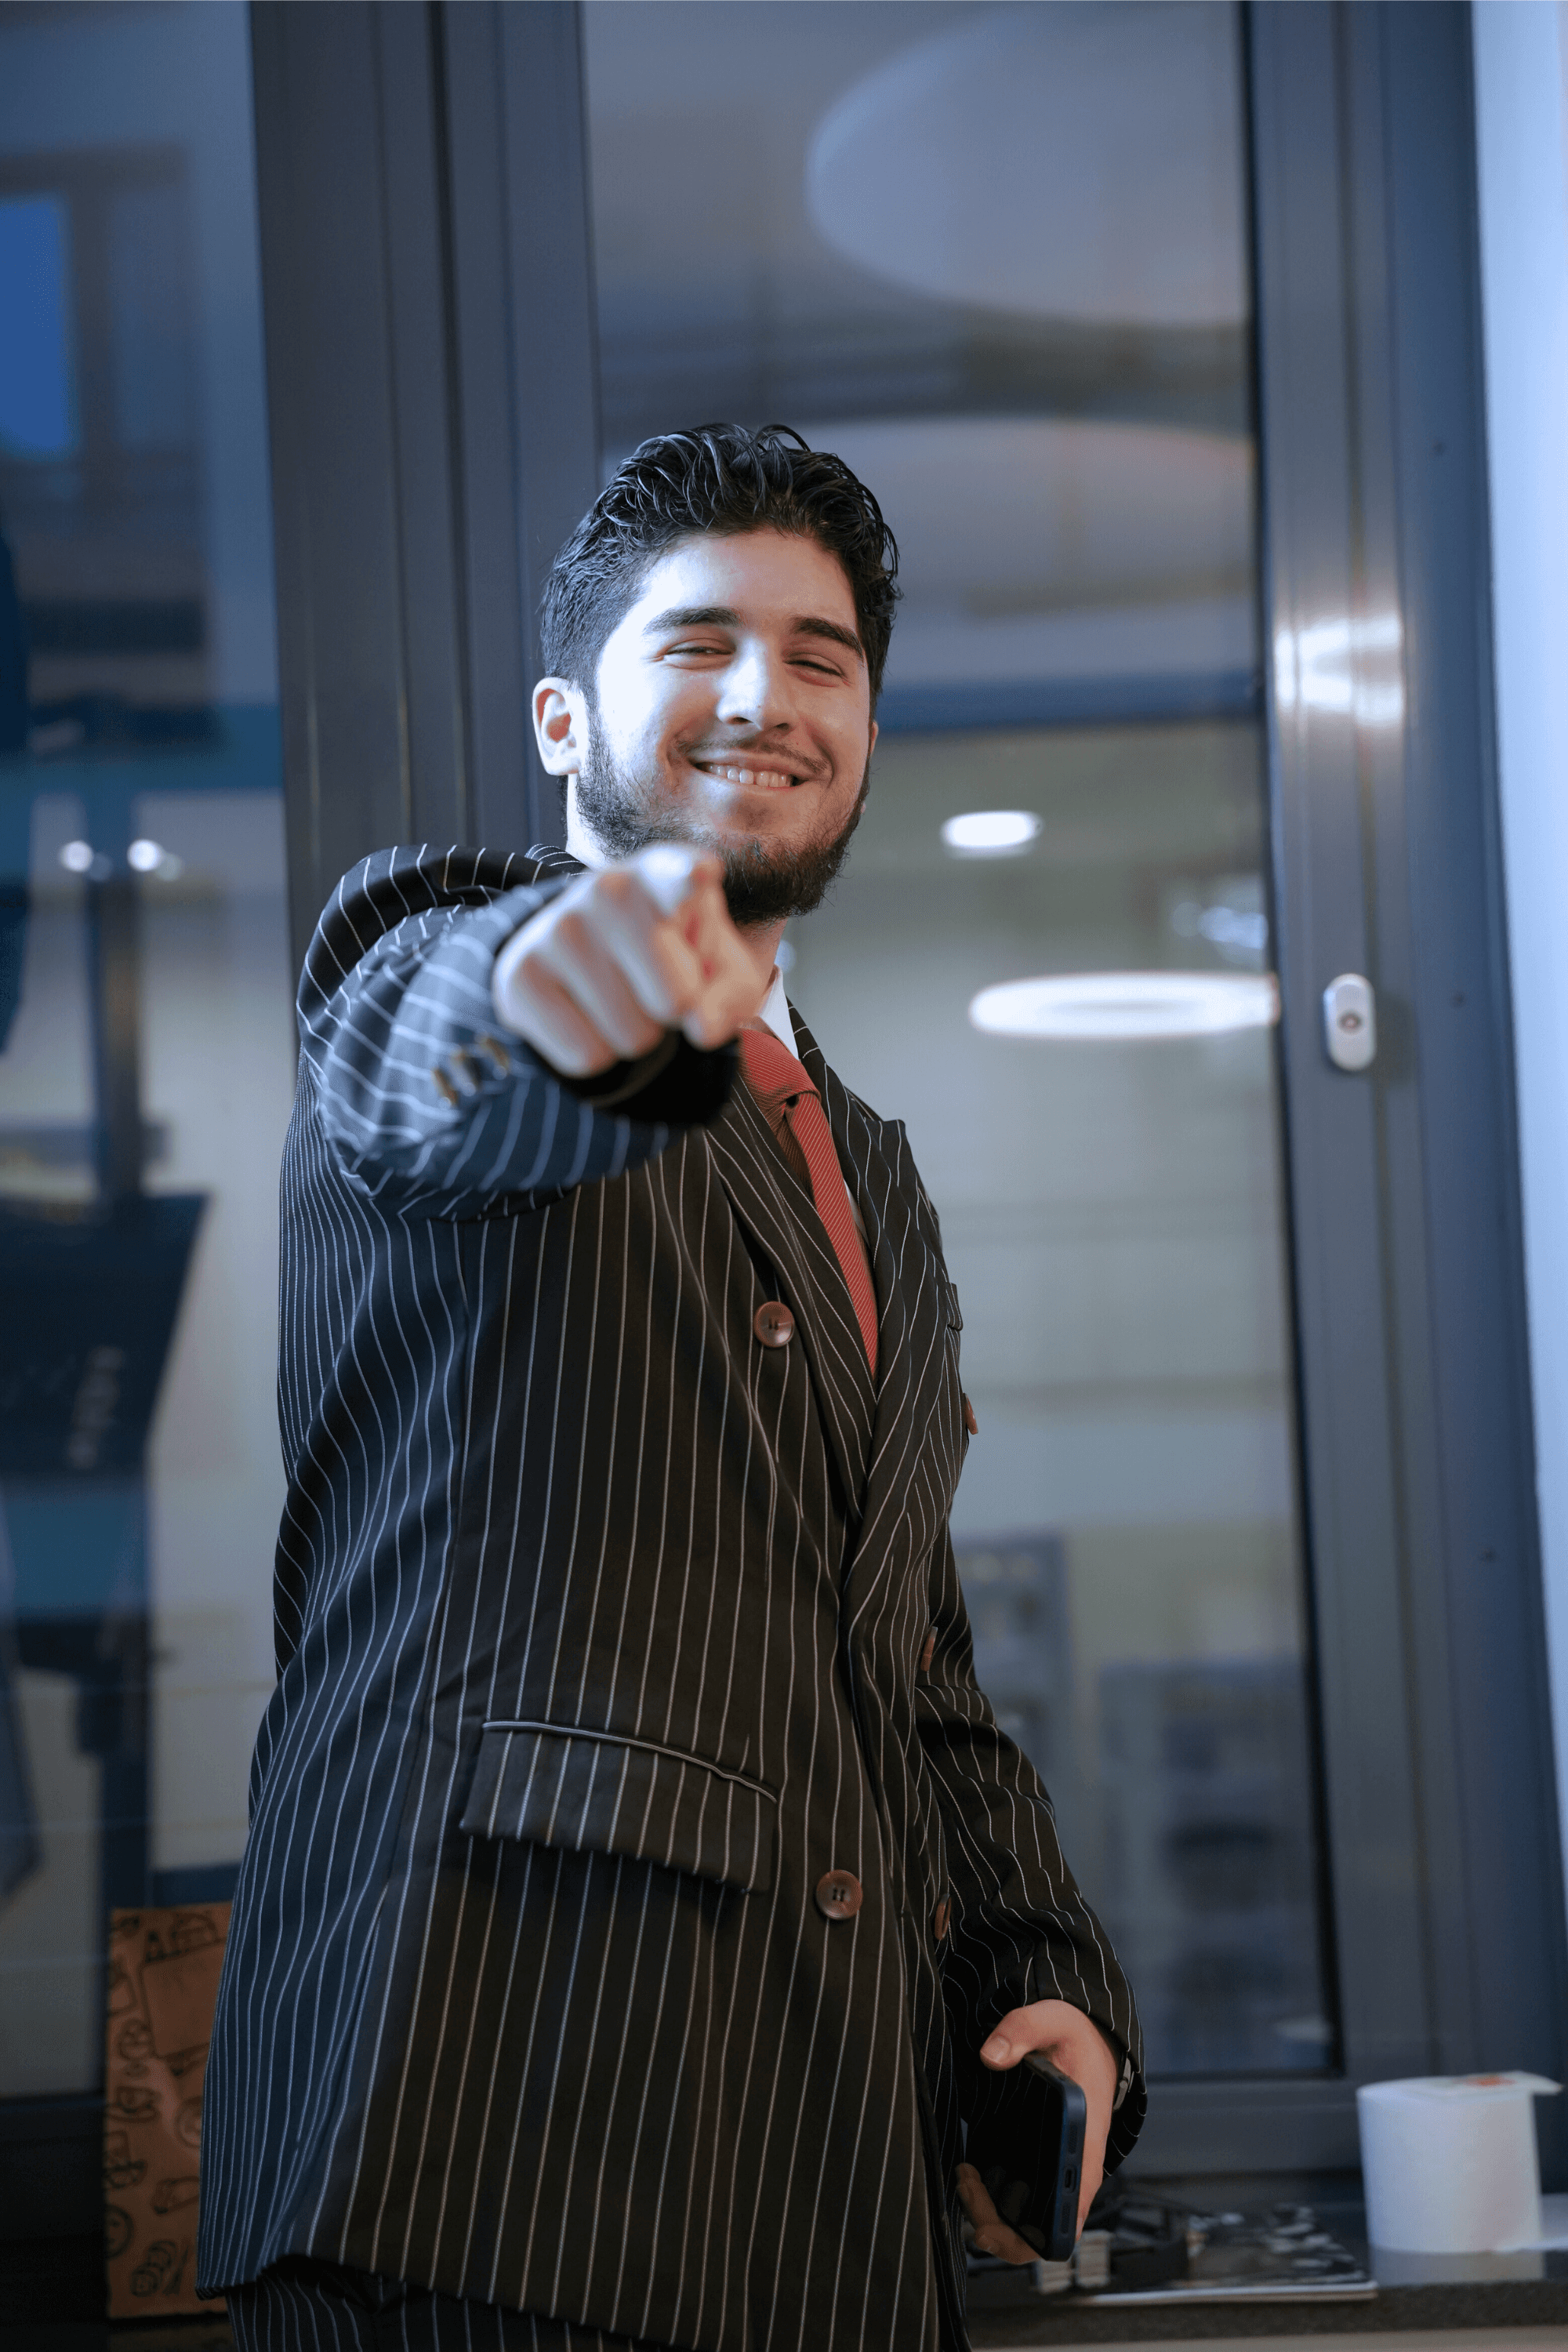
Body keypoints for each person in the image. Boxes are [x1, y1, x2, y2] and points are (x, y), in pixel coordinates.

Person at [198, 424, 1144, 2352]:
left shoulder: (869, 1167)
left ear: (865, 731)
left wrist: (1044, 1967)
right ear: (565, 719)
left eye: (819, 659)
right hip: (479, 2155)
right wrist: (596, 987)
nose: (760, 697)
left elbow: (911, 1656)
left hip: (825, 2199)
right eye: (697, 640)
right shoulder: (430, 954)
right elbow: (442, 1055)